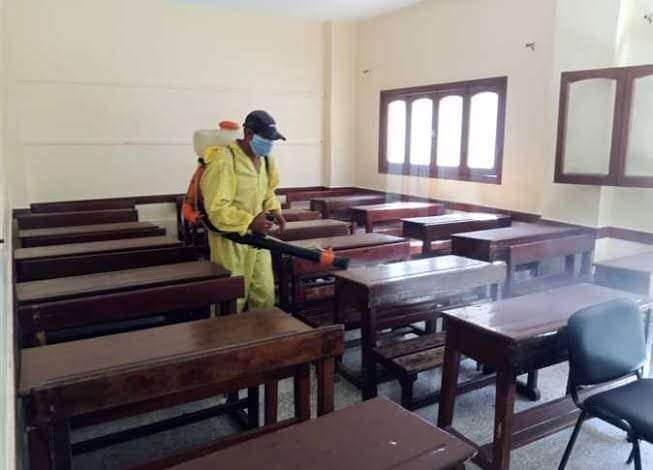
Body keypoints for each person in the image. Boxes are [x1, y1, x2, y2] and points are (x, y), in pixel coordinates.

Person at [200, 110, 286, 311]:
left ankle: (261, 332)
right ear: (248, 134)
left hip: (257, 239)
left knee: (264, 295)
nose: (269, 144)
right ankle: (227, 332)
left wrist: (275, 210)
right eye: (265, 139)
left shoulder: (266, 160)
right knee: (232, 299)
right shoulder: (224, 160)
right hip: (231, 241)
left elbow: (268, 191)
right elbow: (217, 209)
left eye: (272, 140)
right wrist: (249, 221)